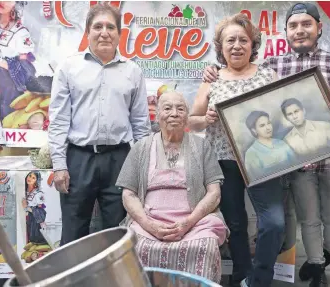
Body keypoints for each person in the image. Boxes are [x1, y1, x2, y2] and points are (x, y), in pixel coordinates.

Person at [202, 3, 330, 287]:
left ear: (318, 28)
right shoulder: (273, 65)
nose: (300, 30)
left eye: (306, 25)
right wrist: (212, 72)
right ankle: (310, 267)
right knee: (306, 220)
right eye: (294, 26)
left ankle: (326, 255)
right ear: (286, 32)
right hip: (291, 162)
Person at [188, 13, 285, 287]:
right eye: (230, 40)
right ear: (221, 46)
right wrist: (204, 118)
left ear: (253, 44)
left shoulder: (268, 75)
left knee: (274, 223)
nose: (237, 45)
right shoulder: (212, 79)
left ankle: (259, 279)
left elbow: (284, 118)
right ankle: (242, 275)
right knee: (236, 225)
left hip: (263, 160)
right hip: (223, 163)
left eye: (243, 40)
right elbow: (192, 122)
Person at [48, 3, 151, 245]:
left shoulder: (132, 71)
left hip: (119, 161)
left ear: (119, 34)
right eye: (98, 26)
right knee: (73, 233)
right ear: (87, 32)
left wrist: (143, 169)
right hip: (78, 160)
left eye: (110, 27)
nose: (104, 32)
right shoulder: (69, 68)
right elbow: (59, 120)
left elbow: (141, 124)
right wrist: (60, 165)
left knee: (118, 234)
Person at [117, 91, 228, 283]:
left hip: (194, 222)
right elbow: (128, 194)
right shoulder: (141, 147)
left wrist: (188, 223)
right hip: (150, 221)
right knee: (137, 247)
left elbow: (214, 193)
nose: (174, 113)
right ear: (157, 115)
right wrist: (149, 224)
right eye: (167, 108)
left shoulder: (202, 147)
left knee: (205, 247)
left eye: (181, 109)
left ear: (187, 116)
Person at [244, 110, 296, 180]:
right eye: (262, 125)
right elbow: (256, 178)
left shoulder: (281, 143)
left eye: (269, 123)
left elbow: (296, 163)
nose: (268, 128)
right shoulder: (251, 153)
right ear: (254, 130)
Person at [22, 171, 47, 245]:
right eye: (30, 176)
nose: (30, 179)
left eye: (33, 178)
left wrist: (28, 208)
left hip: (35, 216)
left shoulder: (38, 193)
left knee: (35, 236)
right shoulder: (24, 190)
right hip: (29, 216)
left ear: (36, 181)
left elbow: (41, 206)